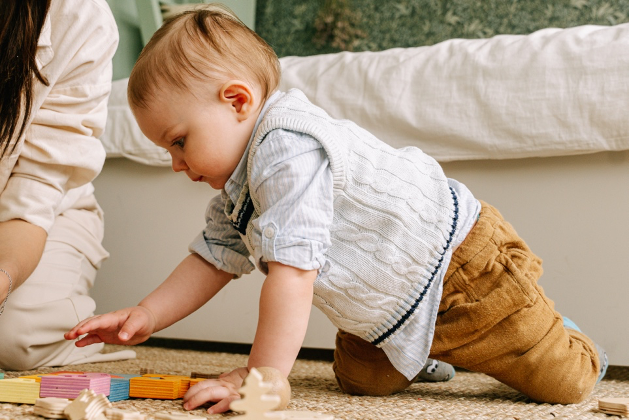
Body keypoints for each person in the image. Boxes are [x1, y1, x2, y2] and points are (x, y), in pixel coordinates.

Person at [65, 6, 608, 414]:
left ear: (237, 102)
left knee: (566, 382)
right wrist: (147, 315)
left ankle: (558, 328)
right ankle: (428, 355)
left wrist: (266, 379)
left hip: (462, 272)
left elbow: (293, 274)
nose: (175, 163)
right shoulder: (236, 189)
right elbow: (211, 259)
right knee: (360, 381)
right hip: (382, 309)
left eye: (179, 141)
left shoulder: (286, 148)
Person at [0, 0, 135, 370]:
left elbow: (33, 194)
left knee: (14, 340)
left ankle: (79, 329)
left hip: (36, 216)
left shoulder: (78, 18)